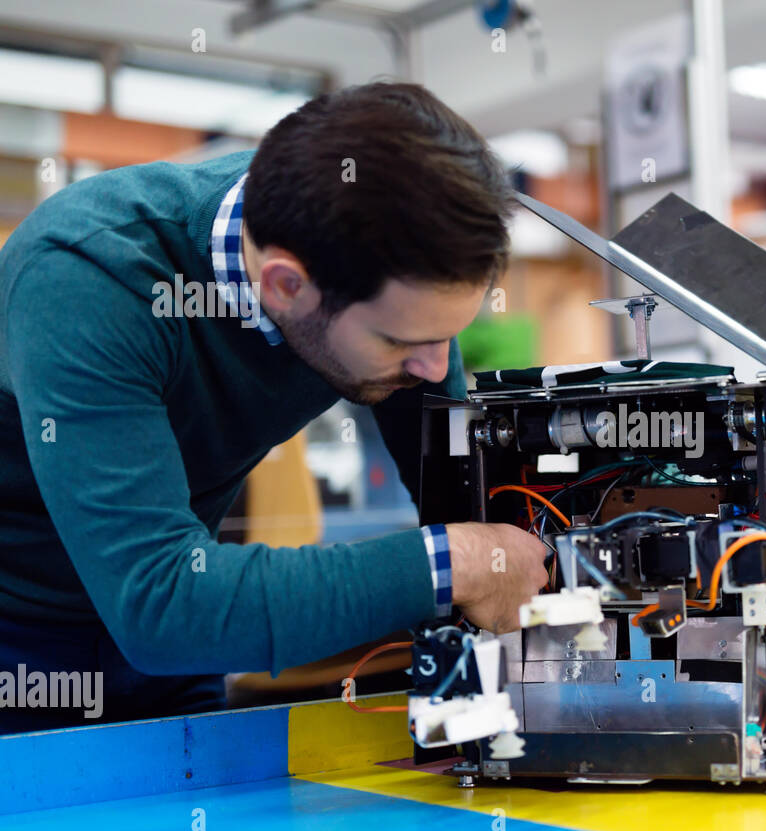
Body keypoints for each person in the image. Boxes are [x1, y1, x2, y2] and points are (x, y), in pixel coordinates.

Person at [0, 83, 548, 732]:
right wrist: (451, 563)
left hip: (175, 643)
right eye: (401, 341)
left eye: (445, 334)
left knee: (200, 827)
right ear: (286, 287)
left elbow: (470, 514)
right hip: (24, 638)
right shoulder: (90, 278)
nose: (435, 367)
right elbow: (161, 605)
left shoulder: (381, 277)